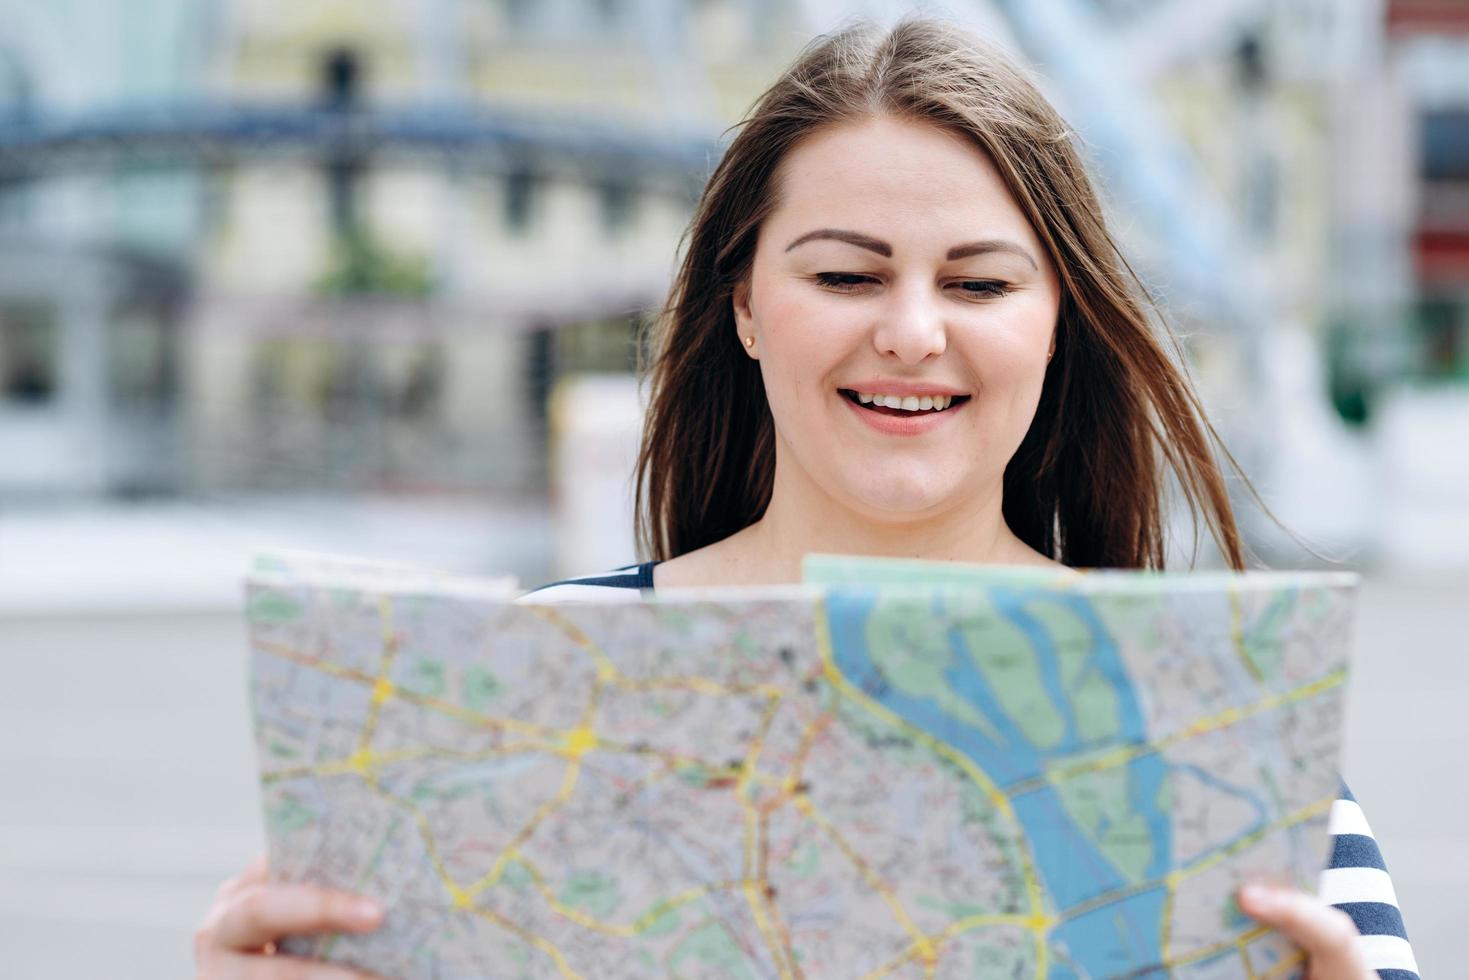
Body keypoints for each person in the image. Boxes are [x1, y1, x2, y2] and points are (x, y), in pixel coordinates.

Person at [195, 18, 1418, 980]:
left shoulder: (1228, 733)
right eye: (844, 272)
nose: (909, 331)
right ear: (739, 303)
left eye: (980, 283)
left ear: (1056, 327)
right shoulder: (523, 691)